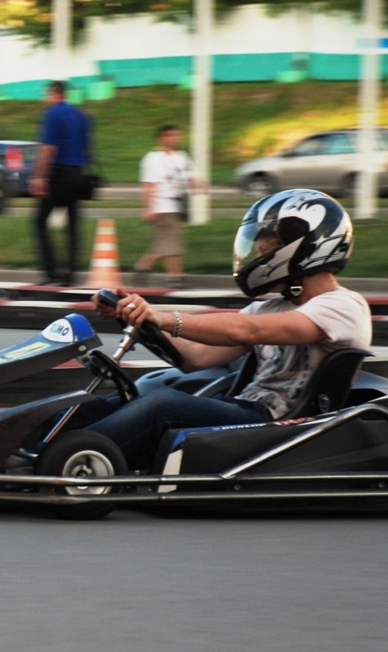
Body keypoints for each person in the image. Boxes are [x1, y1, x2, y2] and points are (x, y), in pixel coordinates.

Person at [72, 189, 371, 470]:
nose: (259, 255)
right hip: (242, 407)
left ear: (305, 246)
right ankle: (49, 445)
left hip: (282, 424)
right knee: (116, 402)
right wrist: (135, 317)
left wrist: (164, 318)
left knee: (161, 405)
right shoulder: (269, 307)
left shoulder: (344, 306)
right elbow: (197, 356)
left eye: (267, 247)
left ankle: (72, 461)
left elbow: (249, 331)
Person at [30, 80, 91, 287]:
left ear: (55, 94)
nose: (44, 99)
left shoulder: (52, 114)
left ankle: (51, 272)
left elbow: (48, 148)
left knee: (40, 221)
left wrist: (39, 177)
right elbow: (86, 148)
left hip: (58, 173)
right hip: (77, 172)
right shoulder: (81, 115)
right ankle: (71, 275)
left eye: (46, 95)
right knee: (72, 225)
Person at [133, 124, 203, 288]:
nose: (173, 139)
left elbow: (191, 177)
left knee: (168, 242)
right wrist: (148, 208)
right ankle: (174, 277)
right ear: (161, 138)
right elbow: (149, 185)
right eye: (169, 135)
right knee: (172, 242)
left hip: (179, 205)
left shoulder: (182, 157)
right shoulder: (153, 159)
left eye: (176, 135)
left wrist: (199, 186)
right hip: (162, 204)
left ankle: (144, 265)